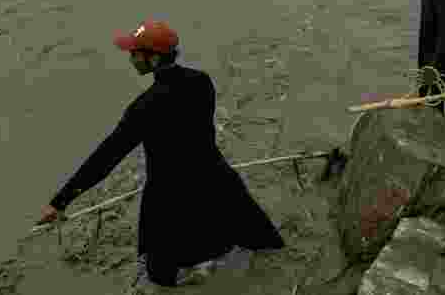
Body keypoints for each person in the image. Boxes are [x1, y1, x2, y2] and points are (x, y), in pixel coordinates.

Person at [37, 20, 285, 290]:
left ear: (153, 58)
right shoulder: (201, 82)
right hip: (218, 180)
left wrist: (60, 202)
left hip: (169, 197)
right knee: (265, 246)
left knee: (161, 279)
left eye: (135, 53)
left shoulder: (145, 107)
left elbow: (105, 158)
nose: (131, 59)